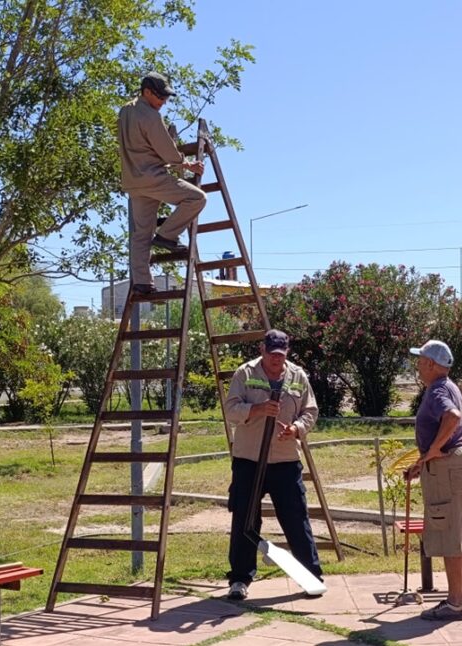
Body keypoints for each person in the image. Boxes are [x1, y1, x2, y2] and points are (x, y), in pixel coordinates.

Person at [223, 329, 323, 600]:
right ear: (262, 349)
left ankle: (310, 576)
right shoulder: (244, 374)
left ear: (287, 352)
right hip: (249, 461)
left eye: (281, 355)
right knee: (245, 518)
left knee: (296, 519)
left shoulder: (298, 376)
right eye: (271, 354)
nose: (276, 360)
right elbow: (230, 410)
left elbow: (310, 411)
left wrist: (296, 428)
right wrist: (256, 410)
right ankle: (240, 579)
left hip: (285, 460)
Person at [407, 340, 462, 621]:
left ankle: (455, 603)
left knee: (450, 533)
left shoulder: (437, 390)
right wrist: (422, 461)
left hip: (448, 466)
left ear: (431, 365)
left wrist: (434, 450)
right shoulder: (448, 385)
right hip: (459, 463)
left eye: (421, 360)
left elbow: (452, 417)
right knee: (458, 532)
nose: (418, 365)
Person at [117, 71, 207, 294]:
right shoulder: (150, 116)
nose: (163, 102)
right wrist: (186, 165)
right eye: (161, 97)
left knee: (140, 234)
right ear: (147, 92)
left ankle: (141, 282)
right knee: (196, 198)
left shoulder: (125, 110)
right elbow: (167, 151)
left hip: (132, 181)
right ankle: (167, 235)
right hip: (152, 176)